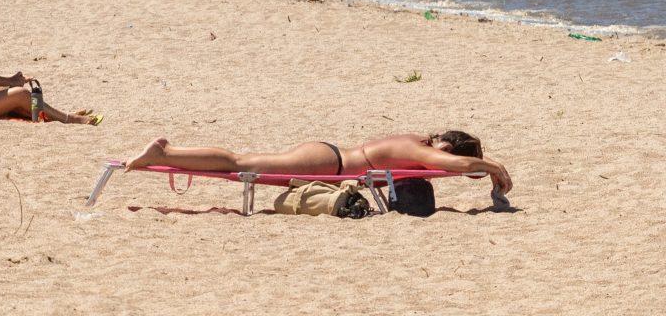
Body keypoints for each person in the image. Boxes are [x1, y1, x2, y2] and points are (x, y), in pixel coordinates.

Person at [124, 131, 510, 196]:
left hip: (330, 157)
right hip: (331, 165)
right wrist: (492, 168)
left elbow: (456, 164)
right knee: (239, 162)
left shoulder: (415, 140)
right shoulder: (424, 151)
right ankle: (163, 153)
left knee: (241, 159)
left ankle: (166, 152)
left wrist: (489, 166)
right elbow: (455, 166)